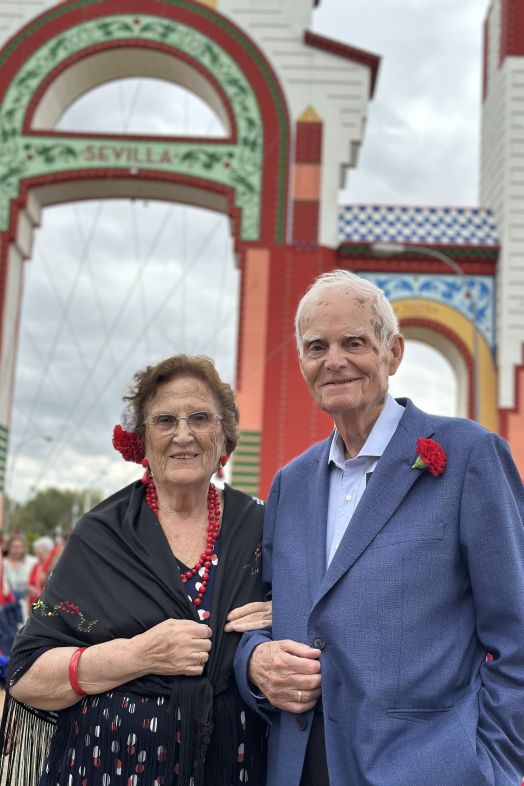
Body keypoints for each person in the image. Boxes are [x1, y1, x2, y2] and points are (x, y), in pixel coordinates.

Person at [235, 270, 524, 786]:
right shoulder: (290, 483)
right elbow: (270, 608)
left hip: (427, 768)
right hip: (300, 766)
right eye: (316, 346)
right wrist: (256, 661)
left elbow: (516, 630)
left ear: (393, 353)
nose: (334, 361)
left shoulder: (468, 457)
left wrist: (493, 768)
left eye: (354, 343)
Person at [1, 354, 271, 786]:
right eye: (165, 421)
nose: (183, 434)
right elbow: (27, 676)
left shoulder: (261, 525)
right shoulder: (102, 534)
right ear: (142, 442)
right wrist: (139, 655)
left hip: (235, 766)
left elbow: (319, 614)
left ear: (224, 438)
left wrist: (288, 612)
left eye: (199, 418)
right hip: (109, 766)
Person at [3, 535, 37, 622]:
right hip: (6, 608)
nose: (18, 550)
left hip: (21, 608)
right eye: (15, 547)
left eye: (21, 547)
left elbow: (24, 584)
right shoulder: (3, 564)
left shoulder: (23, 565)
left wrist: (29, 588)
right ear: (8, 548)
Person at [27, 535, 55, 609]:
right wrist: (29, 588)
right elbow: (29, 582)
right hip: (33, 602)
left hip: (46, 603)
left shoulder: (51, 566)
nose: (36, 552)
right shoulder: (36, 566)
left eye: (39, 549)